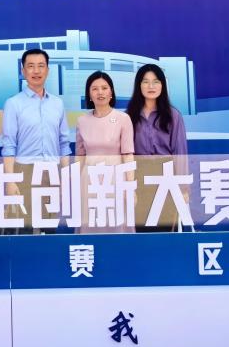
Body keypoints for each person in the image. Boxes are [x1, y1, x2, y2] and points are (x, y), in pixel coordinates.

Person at [0, 48, 72, 228]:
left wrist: (65, 179)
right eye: (31, 66)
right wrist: (10, 181)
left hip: (52, 171)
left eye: (41, 66)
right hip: (25, 171)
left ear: (48, 70)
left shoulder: (57, 104)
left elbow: (64, 144)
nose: (36, 71)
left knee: (49, 226)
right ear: (23, 71)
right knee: (26, 227)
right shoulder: (13, 103)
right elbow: (9, 146)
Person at [125, 63, 190, 230]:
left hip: (166, 176)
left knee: (165, 227)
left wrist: (183, 188)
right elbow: (125, 153)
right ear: (139, 86)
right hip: (139, 176)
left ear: (162, 85)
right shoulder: (129, 116)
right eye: (145, 82)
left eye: (156, 81)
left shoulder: (173, 115)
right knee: (141, 226)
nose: (151, 86)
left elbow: (180, 152)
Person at [75, 71, 135, 233]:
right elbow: (80, 156)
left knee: (116, 223)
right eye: (94, 89)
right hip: (88, 180)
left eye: (104, 88)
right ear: (89, 94)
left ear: (111, 92)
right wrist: (75, 185)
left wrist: (130, 187)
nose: (100, 92)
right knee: (91, 223)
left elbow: (128, 155)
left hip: (116, 179)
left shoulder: (123, 118)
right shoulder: (82, 121)